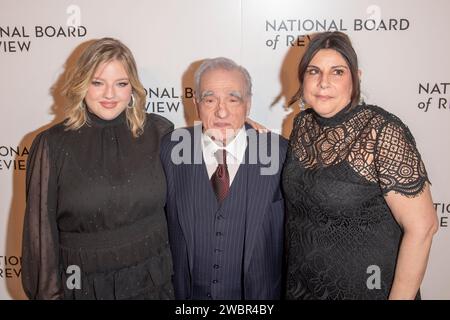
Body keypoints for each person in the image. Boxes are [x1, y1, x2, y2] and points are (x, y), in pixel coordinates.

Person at [283, 31, 438, 300]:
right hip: (302, 288)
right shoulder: (301, 126)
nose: (323, 83)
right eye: (314, 71)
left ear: (356, 77)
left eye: (338, 72)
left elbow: (423, 227)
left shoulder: (381, 131)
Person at [21, 38, 174, 300]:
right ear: (82, 84)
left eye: (121, 84)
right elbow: (40, 237)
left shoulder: (159, 132)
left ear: (133, 87)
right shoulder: (52, 145)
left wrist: (249, 131)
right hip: (83, 285)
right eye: (98, 82)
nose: (110, 95)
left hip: (153, 281)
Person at [160, 57, 287, 299]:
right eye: (209, 100)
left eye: (233, 99)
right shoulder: (170, 148)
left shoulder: (280, 153)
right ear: (196, 103)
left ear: (248, 104)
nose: (221, 111)